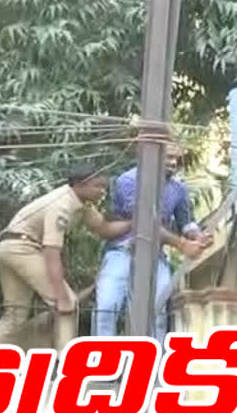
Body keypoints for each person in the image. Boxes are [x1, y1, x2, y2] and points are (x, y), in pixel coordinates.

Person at [0, 164, 131, 353]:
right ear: (80, 184)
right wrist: (61, 295)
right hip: (23, 249)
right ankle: (64, 360)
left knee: (15, 314)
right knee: (66, 304)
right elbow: (51, 252)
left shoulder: (81, 204)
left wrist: (135, 223)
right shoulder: (61, 205)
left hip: (7, 248)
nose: (102, 191)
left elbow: (104, 229)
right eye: (97, 186)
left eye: (104, 187)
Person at [91, 138, 213, 344]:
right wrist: (182, 245)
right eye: (169, 157)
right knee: (106, 307)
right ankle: (100, 365)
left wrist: (197, 235)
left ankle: (153, 367)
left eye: (177, 158)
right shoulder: (128, 181)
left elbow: (186, 222)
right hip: (122, 251)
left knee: (158, 312)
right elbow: (144, 222)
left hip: (155, 255)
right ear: (152, 155)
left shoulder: (179, 188)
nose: (174, 162)